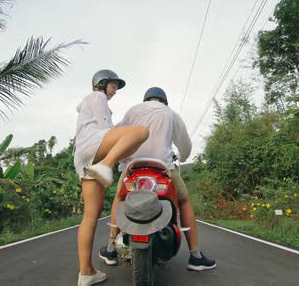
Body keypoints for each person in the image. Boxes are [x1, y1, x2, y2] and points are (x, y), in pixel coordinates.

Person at [98, 87, 216, 271]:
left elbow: (116, 136)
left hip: (133, 168)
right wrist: (182, 158)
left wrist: (122, 159)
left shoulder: (133, 111)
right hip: (164, 169)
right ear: (164, 101)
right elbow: (185, 145)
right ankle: (195, 256)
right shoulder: (171, 114)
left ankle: (111, 249)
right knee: (184, 202)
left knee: (119, 199)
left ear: (146, 99)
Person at [74, 70, 149, 286]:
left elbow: (111, 138)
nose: (115, 91)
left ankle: (86, 272)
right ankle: (106, 167)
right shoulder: (97, 98)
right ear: (102, 83)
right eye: (113, 86)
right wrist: (114, 157)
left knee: (91, 215)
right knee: (141, 132)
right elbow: (107, 131)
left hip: (83, 155)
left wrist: (124, 153)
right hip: (94, 149)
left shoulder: (87, 104)